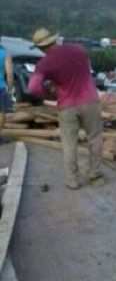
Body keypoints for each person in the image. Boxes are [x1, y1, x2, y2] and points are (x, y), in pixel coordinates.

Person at [28, 28, 103, 189]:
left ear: (40, 48)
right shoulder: (79, 50)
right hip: (90, 100)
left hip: (67, 105)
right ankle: (95, 176)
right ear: (54, 40)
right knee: (95, 138)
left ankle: (73, 181)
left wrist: (48, 93)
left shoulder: (43, 64)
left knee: (69, 144)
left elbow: (33, 88)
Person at [0, 44, 14, 133]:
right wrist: (10, 88)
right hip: (0, 87)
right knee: (1, 113)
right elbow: (9, 74)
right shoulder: (5, 54)